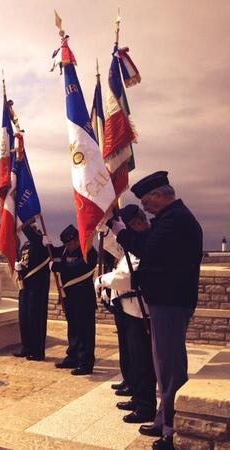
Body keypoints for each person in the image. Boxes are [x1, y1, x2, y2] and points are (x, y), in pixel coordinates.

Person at [108, 171, 202, 450]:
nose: (145, 207)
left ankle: (172, 430)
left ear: (161, 195)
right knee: (163, 366)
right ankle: (163, 418)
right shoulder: (170, 218)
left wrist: (119, 231)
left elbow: (147, 250)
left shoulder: (175, 220)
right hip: (166, 301)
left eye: (147, 201)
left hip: (171, 302)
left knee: (170, 367)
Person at [96, 204, 156, 425]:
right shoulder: (135, 243)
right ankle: (138, 398)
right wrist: (106, 230)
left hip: (139, 311)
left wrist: (102, 280)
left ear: (137, 224)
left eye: (126, 227)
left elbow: (127, 277)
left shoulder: (146, 242)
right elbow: (118, 251)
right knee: (134, 357)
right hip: (128, 309)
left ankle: (146, 406)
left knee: (142, 361)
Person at [50, 224, 97, 375]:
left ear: (77, 240)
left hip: (84, 299)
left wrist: (56, 266)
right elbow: (51, 251)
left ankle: (85, 362)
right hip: (70, 298)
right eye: (65, 244)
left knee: (85, 332)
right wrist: (41, 239)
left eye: (69, 243)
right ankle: (73, 357)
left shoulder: (88, 252)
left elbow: (76, 268)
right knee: (73, 330)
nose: (67, 247)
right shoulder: (65, 250)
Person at [13, 219, 51, 361]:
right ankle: (26, 347)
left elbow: (31, 235)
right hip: (25, 286)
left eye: (33, 229)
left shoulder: (41, 242)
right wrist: (19, 267)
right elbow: (26, 262)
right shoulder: (25, 245)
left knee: (36, 319)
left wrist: (21, 218)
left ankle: (37, 351)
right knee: (24, 318)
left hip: (37, 286)